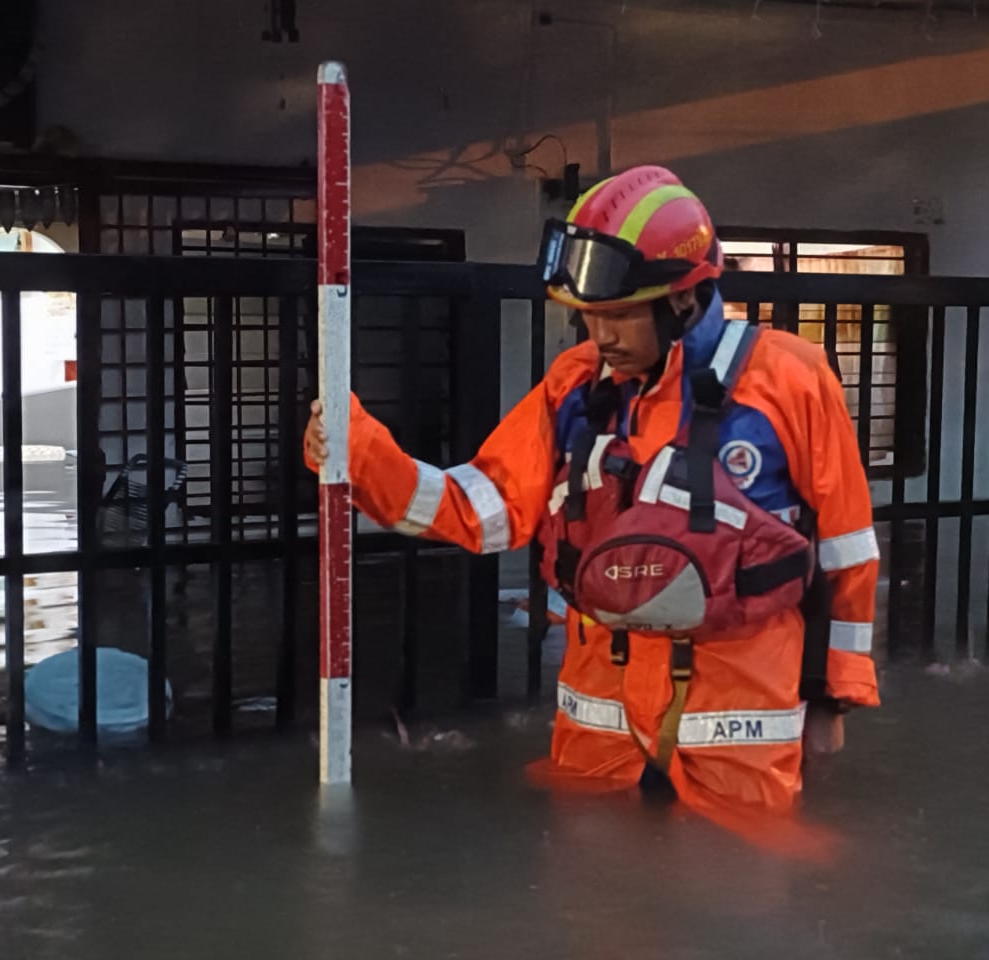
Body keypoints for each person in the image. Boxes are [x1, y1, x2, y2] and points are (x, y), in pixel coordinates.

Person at [303, 165, 879, 816]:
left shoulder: (790, 380)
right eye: (588, 318)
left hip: (739, 729)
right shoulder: (575, 386)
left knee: (739, 897)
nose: (600, 336)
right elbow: (484, 507)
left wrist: (833, 699)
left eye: (619, 317)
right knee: (594, 902)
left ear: (683, 299)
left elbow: (846, 552)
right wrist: (363, 457)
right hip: (597, 733)